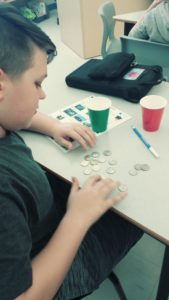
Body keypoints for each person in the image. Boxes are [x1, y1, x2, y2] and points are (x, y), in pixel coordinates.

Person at [0, 4, 143, 300]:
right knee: (133, 215)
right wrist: (77, 218)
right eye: (37, 83)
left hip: (38, 216)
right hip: (44, 274)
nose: (43, 95)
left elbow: (11, 115)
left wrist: (50, 124)